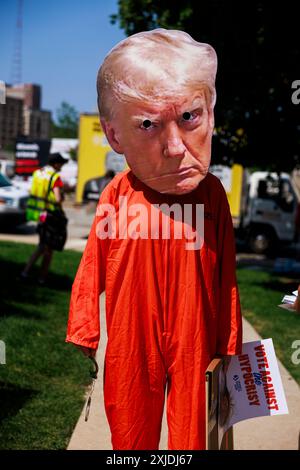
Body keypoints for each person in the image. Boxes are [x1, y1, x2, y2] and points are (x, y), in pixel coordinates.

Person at [66, 29, 242, 450]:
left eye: (189, 118)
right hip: (132, 331)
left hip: (193, 331)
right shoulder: (117, 194)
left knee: (192, 430)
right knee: (130, 427)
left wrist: (228, 340)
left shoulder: (212, 194)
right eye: (147, 124)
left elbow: (226, 272)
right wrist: (86, 328)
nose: (176, 147)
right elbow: (92, 265)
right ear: (114, 136)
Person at [21, 152, 68, 284]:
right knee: (49, 248)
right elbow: (58, 198)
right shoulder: (55, 177)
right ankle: (42, 278)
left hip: (40, 214)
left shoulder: (38, 173)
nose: (62, 166)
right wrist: (62, 197)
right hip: (51, 215)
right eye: (61, 163)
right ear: (56, 164)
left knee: (42, 246)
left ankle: (25, 272)